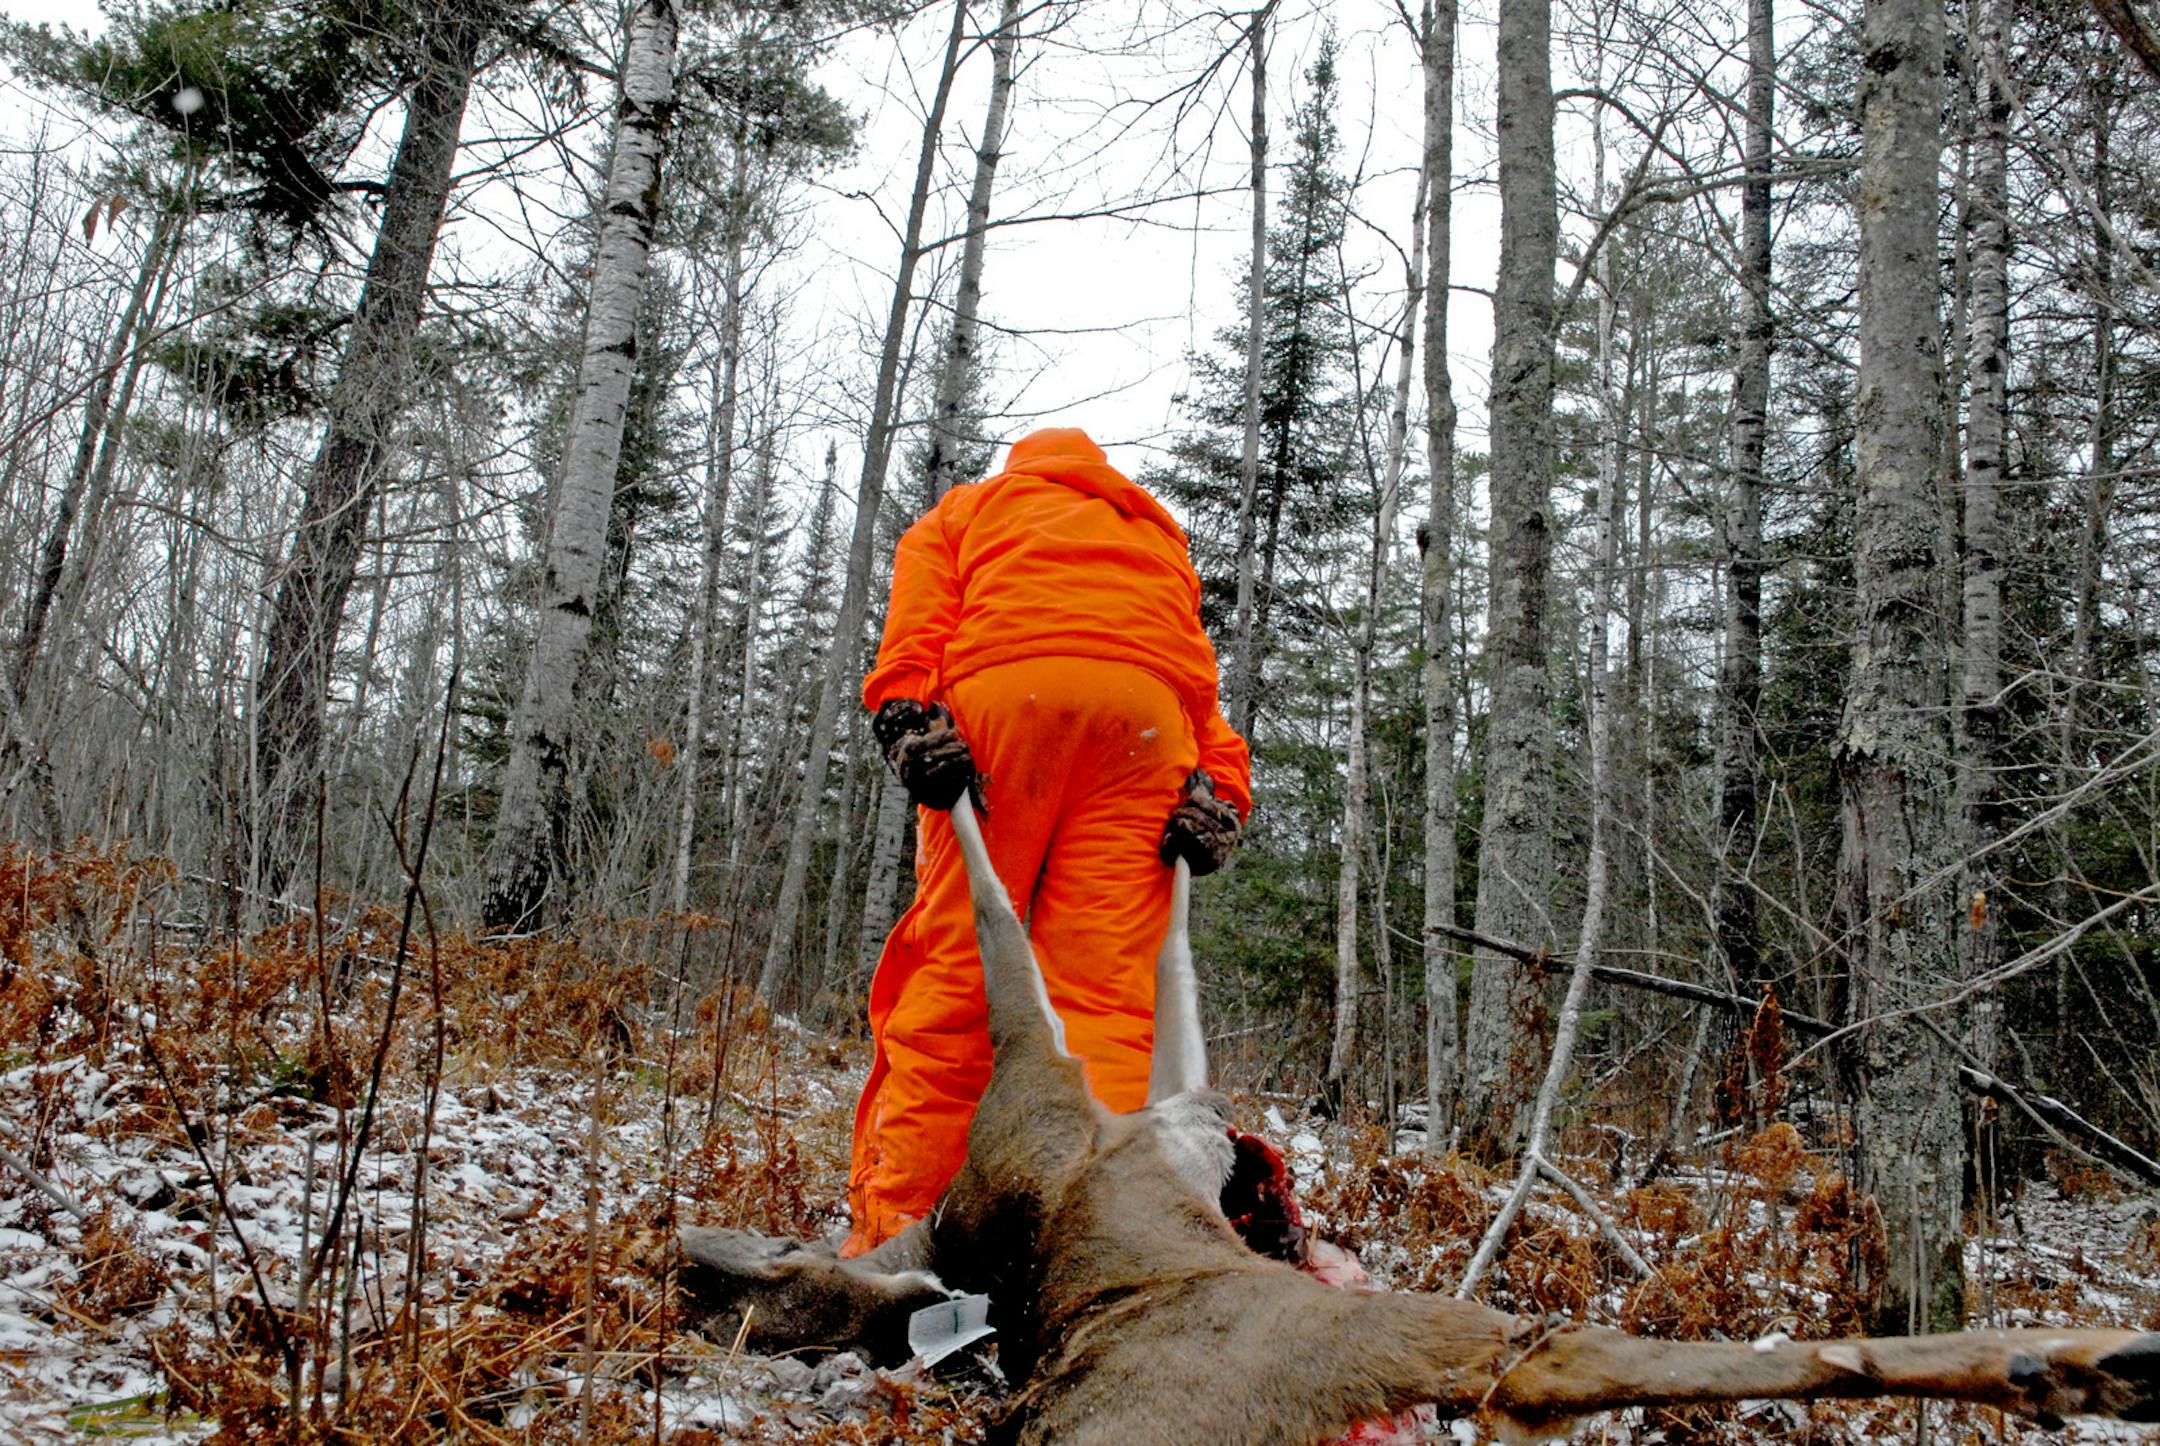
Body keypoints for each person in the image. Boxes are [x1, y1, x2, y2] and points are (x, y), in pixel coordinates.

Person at [843, 426, 1251, 1255]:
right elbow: (1197, 683)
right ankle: (1082, 1247)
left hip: (1005, 702)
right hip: (1144, 722)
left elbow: (916, 626)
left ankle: (900, 1234)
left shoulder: (966, 511)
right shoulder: (1153, 538)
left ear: (1019, 469)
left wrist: (907, 719)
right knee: (1104, 999)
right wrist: (1220, 796)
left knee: (961, 977)